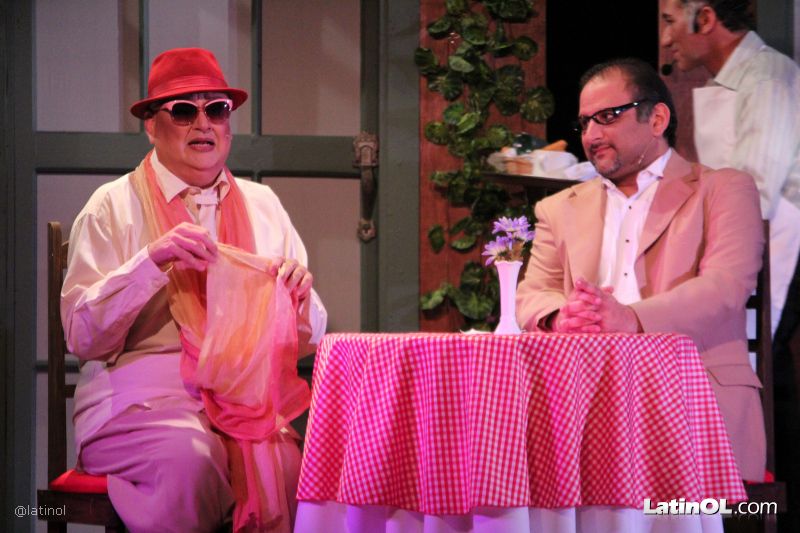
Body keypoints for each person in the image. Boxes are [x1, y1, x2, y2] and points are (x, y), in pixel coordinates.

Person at [61, 47, 327, 533]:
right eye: (184, 110)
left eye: (217, 110)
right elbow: (83, 336)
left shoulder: (263, 205)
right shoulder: (112, 206)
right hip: (141, 401)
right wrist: (151, 262)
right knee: (192, 459)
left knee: (292, 469)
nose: (203, 124)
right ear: (151, 125)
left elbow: (310, 339)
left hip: (242, 404)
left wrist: (298, 296)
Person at [516, 58, 766, 482]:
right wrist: (560, 317)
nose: (591, 135)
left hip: (692, 398)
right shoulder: (558, 209)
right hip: (586, 401)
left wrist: (630, 319)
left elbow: (726, 287)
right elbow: (532, 293)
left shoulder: (722, 189)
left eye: (607, 117)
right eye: (585, 123)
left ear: (657, 119)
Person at [659, 0, 800, 336]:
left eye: (670, 21)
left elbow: (755, 187)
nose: (666, 39)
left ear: (706, 18)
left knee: (765, 354)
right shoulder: (730, 78)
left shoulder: (766, 76)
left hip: (781, 237)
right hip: (745, 237)